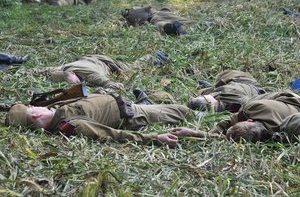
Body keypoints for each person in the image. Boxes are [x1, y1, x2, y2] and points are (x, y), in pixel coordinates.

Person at [5, 93, 194, 146]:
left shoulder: (56, 114)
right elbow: (114, 135)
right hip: (134, 114)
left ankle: (148, 100)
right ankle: (203, 108)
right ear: (37, 115)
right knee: (182, 111)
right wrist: (154, 137)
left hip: (124, 102)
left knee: (161, 102)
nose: (34, 106)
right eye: (31, 108)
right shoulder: (70, 125)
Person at [172, 91, 300, 143]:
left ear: (249, 120)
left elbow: (226, 125)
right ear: (249, 121)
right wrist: (195, 133)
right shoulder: (252, 109)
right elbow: (225, 124)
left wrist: (198, 133)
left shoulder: (249, 110)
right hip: (286, 100)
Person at [30, 55, 129, 91]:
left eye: (70, 81)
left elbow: (116, 86)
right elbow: (37, 70)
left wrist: (100, 93)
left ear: (72, 73)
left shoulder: (91, 76)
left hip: (109, 62)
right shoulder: (62, 68)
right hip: (87, 58)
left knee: (136, 65)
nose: (72, 84)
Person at [188, 70, 266, 113]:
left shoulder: (215, 101)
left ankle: (210, 87)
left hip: (226, 86)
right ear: (210, 103)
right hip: (248, 84)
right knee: (227, 73)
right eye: (202, 97)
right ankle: (210, 87)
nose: (201, 96)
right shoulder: (237, 103)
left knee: (203, 92)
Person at [122, 6, 196, 35]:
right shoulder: (136, 8)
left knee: (161, 25)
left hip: (152, 19)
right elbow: (149, 8)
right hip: (158, 13)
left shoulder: (132, 13)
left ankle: (174, 28)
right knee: (183, 20)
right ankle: (203, 23)